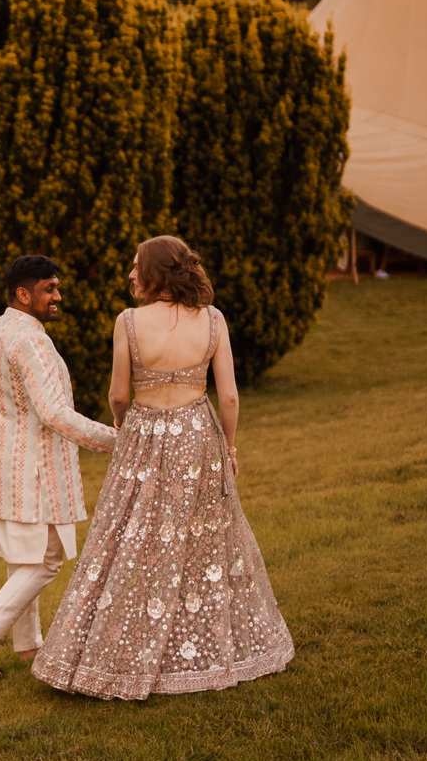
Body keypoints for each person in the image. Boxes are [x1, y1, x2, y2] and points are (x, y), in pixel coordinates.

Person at [33, 236, 294, 700]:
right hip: (198, 436)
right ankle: (202, 650)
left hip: (146, 435)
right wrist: (229, 447)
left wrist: (122, 423)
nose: (131, 274)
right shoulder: (213, 319)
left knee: (131, 539)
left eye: (137, 266)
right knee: (205, 542)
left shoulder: (128, 322)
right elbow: (229, 396)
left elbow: (119, 394)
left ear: (156, 272)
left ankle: (117, 651)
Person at [0, 254, 118, 680]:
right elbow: (54, 413)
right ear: (23, 294)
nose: (58, 296)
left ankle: (28, 647)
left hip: (0, 469)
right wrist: (118, 440)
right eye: (49, 289)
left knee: (24, 560)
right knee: (47, 560)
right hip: (35, 471)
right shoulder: (31, 341)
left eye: (57, 287)